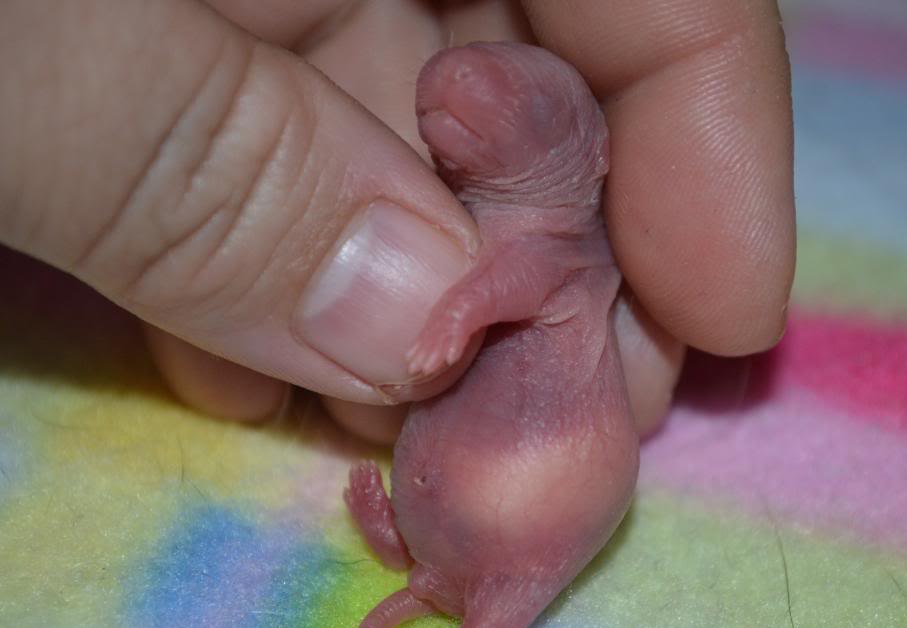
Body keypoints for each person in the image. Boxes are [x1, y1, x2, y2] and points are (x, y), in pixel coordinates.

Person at [0, 0, 795, 444]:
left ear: (583, 158)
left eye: (532, 107)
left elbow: (496, 291)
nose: (451, 76)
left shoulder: (553, 244)